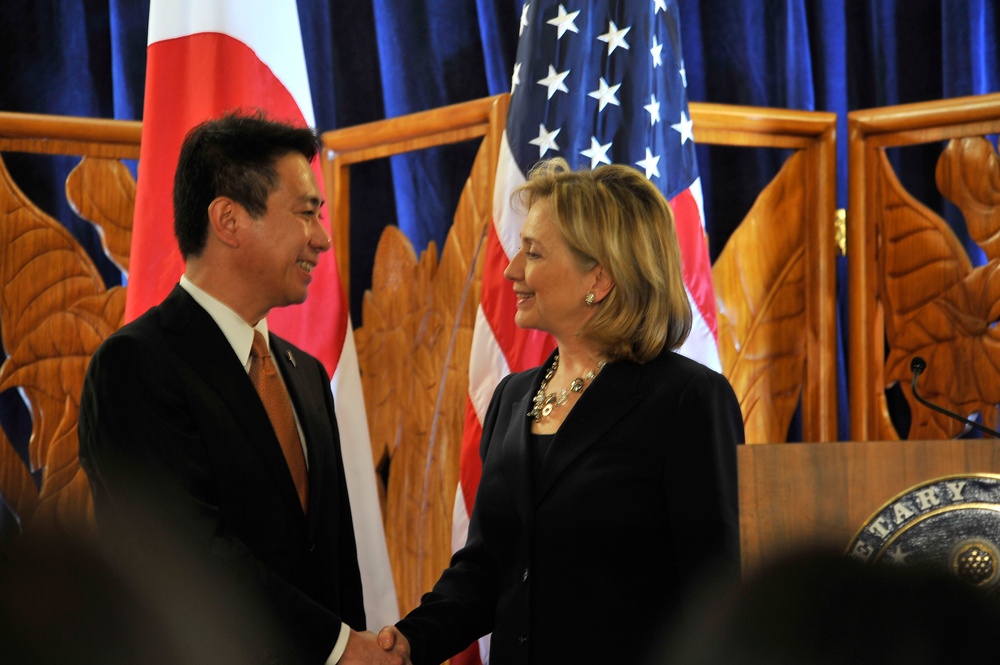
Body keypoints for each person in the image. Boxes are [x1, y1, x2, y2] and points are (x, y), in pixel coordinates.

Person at [379, 158, 744, 664]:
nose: (510, 270)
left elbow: (716, 593)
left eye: (532, 253)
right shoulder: (511, 397)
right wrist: (408, 643)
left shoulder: (688, 400)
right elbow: (486, 570)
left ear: (599, 275)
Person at [78, 110, 406, 665]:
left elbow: (333, 559)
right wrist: (338, 646)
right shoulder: (135, 366)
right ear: (228, 220)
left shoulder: (304, 374)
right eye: (307, 213)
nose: (323, 239)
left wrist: (355, 644)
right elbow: (184, 557)